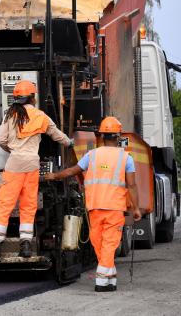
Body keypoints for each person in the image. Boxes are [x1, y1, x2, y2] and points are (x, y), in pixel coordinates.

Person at [45, 116, 142, 292]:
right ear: (118, 136)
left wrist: (54, 176)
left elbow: (72, 171)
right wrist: (136, 208)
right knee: (105, 244)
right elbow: (132, 185)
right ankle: (105, 278)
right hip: (113, 208)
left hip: (95, 207)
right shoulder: (126, 158)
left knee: (103, 244)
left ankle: (106, 280)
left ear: (101, 136)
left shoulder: (92, 155)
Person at [0, 80, 73, 259]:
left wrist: (13, 150)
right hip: (32, 165)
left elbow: (1, 140)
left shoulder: (11, 115)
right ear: (33, 97)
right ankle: (25, 245)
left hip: (14, 164)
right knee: (28, 204)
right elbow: (58, 136)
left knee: (5, 204)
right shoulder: (40, 116)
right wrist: (70, 142)